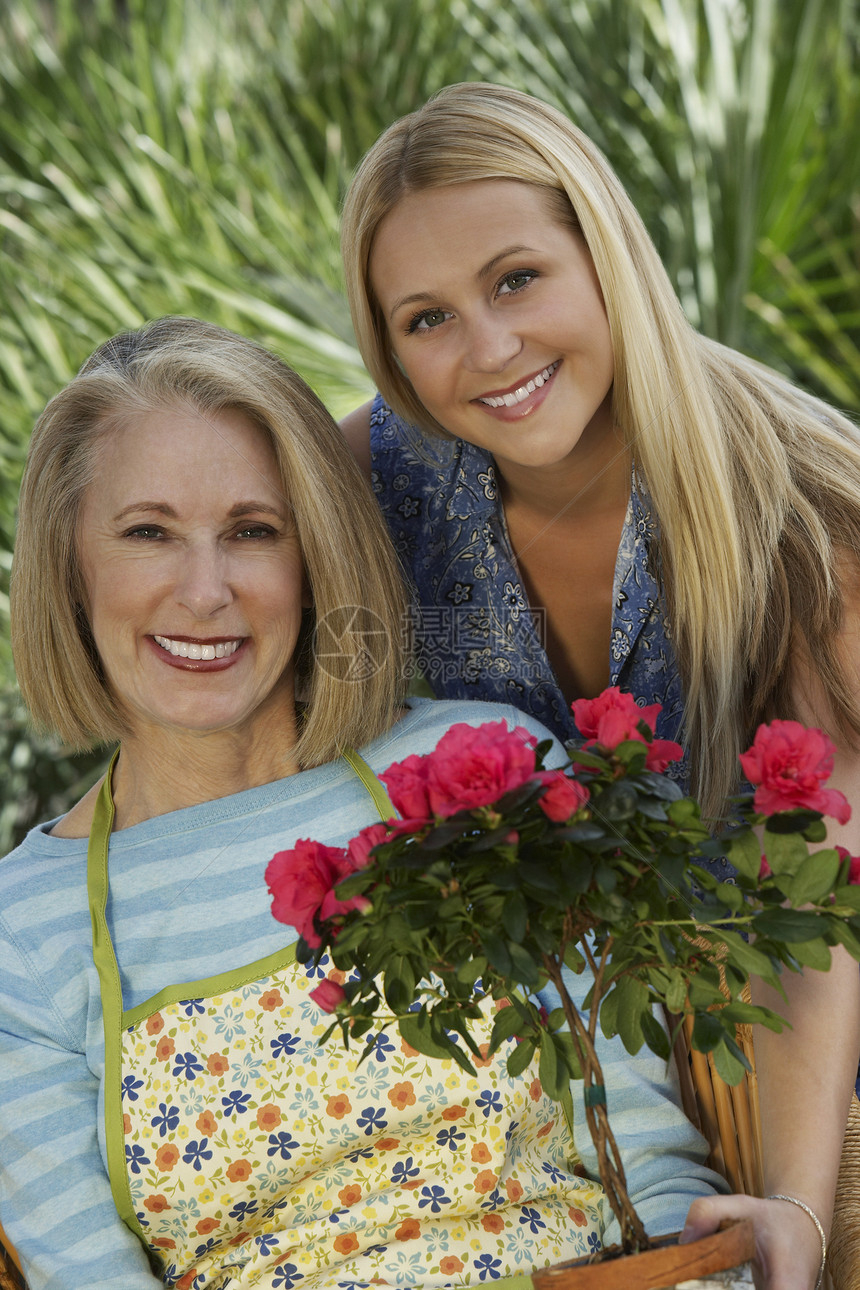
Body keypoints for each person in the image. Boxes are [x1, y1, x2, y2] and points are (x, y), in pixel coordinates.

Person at [0, 317, 723, 1289]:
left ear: (316, 555)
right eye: (147, 533)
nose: (205, 590)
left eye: (252, 531)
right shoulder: (20, 934)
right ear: (69, 565)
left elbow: (646, 1164)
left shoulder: (482, 771)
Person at [339, 82, 860, 1289]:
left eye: (516, 279)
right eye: (425, 318)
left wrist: (793, 1203)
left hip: (799, 1059)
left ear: (605, 254)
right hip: (549, 1094)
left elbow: (817, 886)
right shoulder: (379, 478)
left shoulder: (801, 517)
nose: (486, 350)